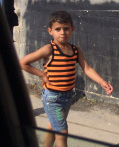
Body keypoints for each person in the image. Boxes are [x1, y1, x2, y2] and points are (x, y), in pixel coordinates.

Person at [20, 11, 113, 147]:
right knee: (62, 132)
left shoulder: (76, 50)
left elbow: (87, 68)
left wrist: (102, 82)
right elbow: (23, 63)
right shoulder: (49, 49)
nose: (62, 32)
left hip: (68, 96)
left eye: (66, 28)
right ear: (50, 31)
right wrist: (42, 75)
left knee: (54, 126)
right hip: (53, 98)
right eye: (58, 29)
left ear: (72, 29)